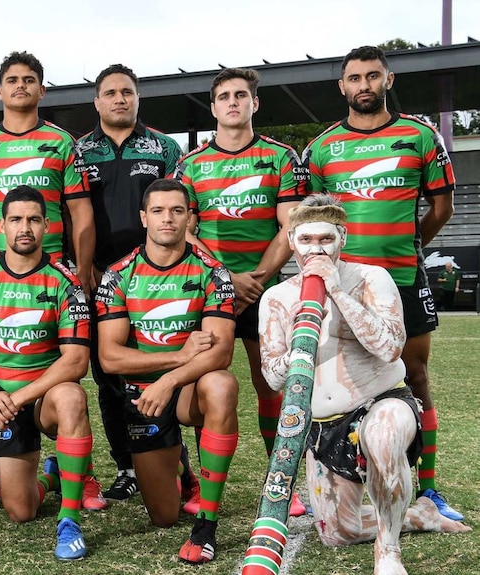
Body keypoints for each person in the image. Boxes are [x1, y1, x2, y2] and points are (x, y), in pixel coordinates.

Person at [259, 194, 470, 574]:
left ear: (342, 237)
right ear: (291, 242)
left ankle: (388, 553)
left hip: (381, 401)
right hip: (324, 426)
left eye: (325, 239)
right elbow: (274, 378)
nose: (315, 249)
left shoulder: (372, 278)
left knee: (384, 437)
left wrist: (336, 292)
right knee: (339, 533)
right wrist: (299, 340)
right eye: (305, 240)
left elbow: (391, 348)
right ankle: (418, 515)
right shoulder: (276, 298)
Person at [303, 46, 461, 521]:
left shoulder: (420, 135)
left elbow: (442, 208)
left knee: (414, 376)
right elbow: (311, 216)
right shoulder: (323, 147)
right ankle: (340, 476)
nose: (364, 85)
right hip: (341, 284)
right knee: (338, 379)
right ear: (342, 87)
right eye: (354, 78)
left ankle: (429, 488)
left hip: (404, 279)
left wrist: (407, 248)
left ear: (388, 80)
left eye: (373, 76)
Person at [0, 51, 96, 510]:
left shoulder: (61, 142)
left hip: (50, 270)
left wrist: (84, 271)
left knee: (62, 371)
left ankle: (82, 473)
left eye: (29, 79)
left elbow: (79, 212)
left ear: (41, 89)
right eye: (12, 80)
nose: (20, 86)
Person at [174, 67, 307, 517]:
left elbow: (291, 225)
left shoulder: (281, 158)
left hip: (262, 291)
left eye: (241, 95)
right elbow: (184, 232)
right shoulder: (190, 165)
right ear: (213, 108)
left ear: (255, 103)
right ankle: (199, 486)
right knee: (202, 385)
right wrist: (226, 278)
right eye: (224, 97)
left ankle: (281, 482)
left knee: (269, 382)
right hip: (209, 291)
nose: (233, 102)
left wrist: (258, 277)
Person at [95, 178, 238, 564]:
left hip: (188, 388)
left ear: (190, 217)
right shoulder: (118, 275)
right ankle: (182, 467)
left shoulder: (213, 272)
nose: (167, 219)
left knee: (221, 385)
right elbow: (110, 357)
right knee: (163, 516)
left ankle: (206, 523)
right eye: (158, 211)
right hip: (143, 398)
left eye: (177, 211)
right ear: (144, 217)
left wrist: (173, 378)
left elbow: (221, 351)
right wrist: (177, 359)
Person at [0, 185, 94, 560]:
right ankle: (53, 474)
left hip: (42, 401)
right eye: (16, 219)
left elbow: (76, 361)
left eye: (33, 219)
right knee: (20, 511)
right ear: (0, 226)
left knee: (71, 396)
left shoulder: (66, 283)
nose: (25, 227)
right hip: (2, 405)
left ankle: (69, 520)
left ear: (47, 226)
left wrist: (17, 397)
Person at [76, 63, 185, 503]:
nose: (120, 98)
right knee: (109, 376)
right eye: (111, 92)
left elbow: (175, 209)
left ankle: (178, 464)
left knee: (165, 368)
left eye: (127, 92)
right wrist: (84, 268)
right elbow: (72, 215)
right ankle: (126, 466)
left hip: (158, 279)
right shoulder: (79, 150)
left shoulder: (164, 147)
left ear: (138, 98)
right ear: (97, 101)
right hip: (101, 277)